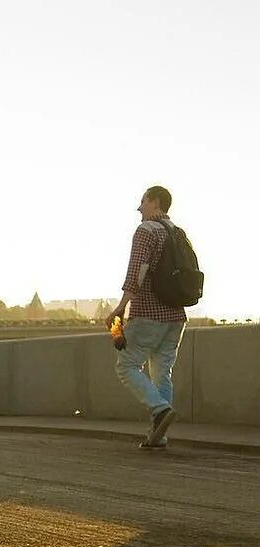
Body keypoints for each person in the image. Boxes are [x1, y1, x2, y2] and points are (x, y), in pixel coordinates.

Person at [105, 185, 188, 449]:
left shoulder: (146, 231)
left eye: (142, 201)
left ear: (154, 201)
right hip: (176, 316)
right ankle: (159, 435)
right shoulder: (178, 232)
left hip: (149, 312)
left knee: (126, 366)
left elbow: (137, 271)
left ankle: (160, 409)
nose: (139, 208)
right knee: (162, 373)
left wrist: (121, 307)